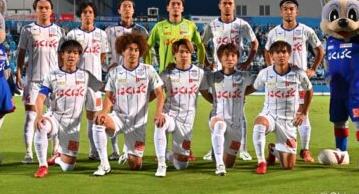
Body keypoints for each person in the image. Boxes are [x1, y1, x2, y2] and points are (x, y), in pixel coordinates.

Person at [92, 33, 165, 176]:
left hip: (138, 124)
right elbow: (109, 96)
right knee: (98, 121)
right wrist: (103, 111)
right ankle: (104, 164)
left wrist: (158, 112)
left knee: (135, 165)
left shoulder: (148, 70)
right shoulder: (115, 73)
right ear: (122, 51)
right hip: (118, 118)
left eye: (136, 50)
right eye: (130, 49)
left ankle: (128, 150)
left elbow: (160, 94)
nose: (133, 53)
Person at [263, 0, 323, 163]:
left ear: (296, 11)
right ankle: (278, 148)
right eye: (285, 9)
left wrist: (313, 69)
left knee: (303, 114)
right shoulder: (274, 32)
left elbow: (320, 50)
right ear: (281, 12)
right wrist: (270, 70)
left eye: (292, 9)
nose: (289, 12)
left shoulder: (305, 30)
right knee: (280, 116)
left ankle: (305, 150)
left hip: (299, 80)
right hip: (281, 82)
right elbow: (267, 51)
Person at [33, 40, 104, 178]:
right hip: (55, 118)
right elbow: (41, 97)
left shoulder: (85, 75)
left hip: (72, 127)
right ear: (62, 55)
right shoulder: (52, 75)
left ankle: (58, 158)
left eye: (75, 53)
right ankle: (42, 166)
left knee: (68, 167)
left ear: (79, 57)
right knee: (41, 126)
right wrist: (39, 115)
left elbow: (103, 87)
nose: (72, 56)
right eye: (69, 52)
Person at [201, 0, 259, 161]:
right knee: (215, 111)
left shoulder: (242, 25)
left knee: (239, 111)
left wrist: (247, 62)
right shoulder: (212, 25)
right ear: (219, 6)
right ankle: (213, 149)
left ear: (234, 6)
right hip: (218, 74)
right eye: (224, 3)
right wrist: (207, 62)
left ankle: (243, 148)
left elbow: (254, 42)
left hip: (236, 73)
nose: (227, 6)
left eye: (230, 3)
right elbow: (202, 43)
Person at [16, 0, 65, 164]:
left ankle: (55, 151)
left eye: (46, 7)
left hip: (55, 80)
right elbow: (21, 54)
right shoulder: (27, 30)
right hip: (34, 80)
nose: (43, 10)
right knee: (31, 116)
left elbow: (62, 56)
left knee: (56, 116)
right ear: (35, 10)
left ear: (51, 11)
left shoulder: (59, 31)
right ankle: (29, 152)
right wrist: (18, 72)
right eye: (40, 7)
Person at [253, 40, 313, 174]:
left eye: (284, 52)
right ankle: (261, 162)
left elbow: (309, 90)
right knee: (259, 123)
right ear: (271, 55)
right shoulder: (265, 73)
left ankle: (273, 150)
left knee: (288, 166)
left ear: (289, 54)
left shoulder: (298, 73)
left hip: (288, 121)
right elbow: (253, 87)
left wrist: (303, 112)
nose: (281, 55)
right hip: (270, 115)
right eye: (277, 52)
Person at [104, 0, 151, 161]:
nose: (127, 9)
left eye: (130, 6)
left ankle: (129, 148)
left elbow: (146, 54)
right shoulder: (110, 31)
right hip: (117, 77)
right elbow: (104, 53)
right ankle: (115, 149)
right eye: (124, 6)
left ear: (133, 10)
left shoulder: (142, 31)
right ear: (119, 10)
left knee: (133, 110)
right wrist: (106, 68)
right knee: (112, 111)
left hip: (135, 76)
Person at [200, 43, 256, 176]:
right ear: (220, 58)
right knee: (219, 125)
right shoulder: (212, 77)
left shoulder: (244, 76)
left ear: (237, 58)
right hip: (217, 116)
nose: (229, 58)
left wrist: (241, 94)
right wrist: (213, 101)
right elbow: (203, 90)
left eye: (233, 55)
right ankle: (219, 166)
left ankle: (219, 156)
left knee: (229, 163)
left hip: (236, 123)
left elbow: (255, 86)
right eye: (226, 55)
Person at [153, 38, 207, 177]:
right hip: (170, 114)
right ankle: (161, 163)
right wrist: (157, 112)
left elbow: (206, 93)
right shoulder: (166, 73)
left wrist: (220, 103)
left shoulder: (199, 73)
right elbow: (156, 93)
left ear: (191, 54)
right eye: (181, 52)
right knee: (160, 122)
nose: (184, 55)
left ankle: (171, 155)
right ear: (175, 54)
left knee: (182, 165)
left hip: (187, 120)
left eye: (187, 52)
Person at [66, 2, 110, 161]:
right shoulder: (72, 35)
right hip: (75, 81)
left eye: (90, 12)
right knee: (73, 117)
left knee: (93, 117)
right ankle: (70, 151)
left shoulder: (102, 35)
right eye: (84, 12)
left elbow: (103, 56)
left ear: (94, 15)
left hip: (95, 84)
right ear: (80, 15)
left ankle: (93, 151)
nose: (88, 14)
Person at [146, 0, 205, 72]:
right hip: (165, 74)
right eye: (173, 4)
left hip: (186, 74)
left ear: (182, 8)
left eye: (178, 4)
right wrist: (148, 67)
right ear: (167, 8)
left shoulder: (191, 25)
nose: (176, 6)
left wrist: (201, 64)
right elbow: (147, 47)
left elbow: (200, 46)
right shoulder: (159, 26)